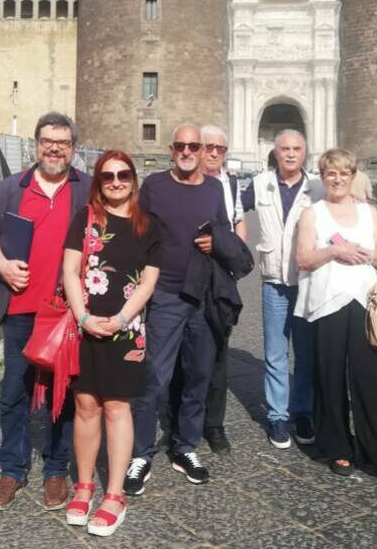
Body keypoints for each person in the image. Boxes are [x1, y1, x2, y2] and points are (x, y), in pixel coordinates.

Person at [0, 112, 92, 512]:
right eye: (47, 141)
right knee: (15, 391)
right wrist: (4, 266)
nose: (54, 148)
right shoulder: (12, 189)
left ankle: (56, 471)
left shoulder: (87, 190)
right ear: (36, 144)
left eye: (62, 142)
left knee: (63, 393)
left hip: (66, 311)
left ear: (73, 148)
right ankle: (12, 470)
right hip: (22, 308)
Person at [124, 124, 230, 495]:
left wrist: (215, 241)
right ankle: (140, 453)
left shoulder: (215, 189)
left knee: (199, 375)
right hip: (166, 295)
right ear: (172, 150)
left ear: (204, 150)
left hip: (202, 297)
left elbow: (226, 235)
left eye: (194, 146)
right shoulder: (154, 186)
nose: (187, 151)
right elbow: (137, 232)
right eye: (181, 146)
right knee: (155, 377)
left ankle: (185, 447)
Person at [60, 151, 161, 537]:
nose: (116, 181)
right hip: (84, 325)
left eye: (122, 175)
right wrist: (84, 316)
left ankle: (114, 494)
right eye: (107, 176)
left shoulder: (148, 226)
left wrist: (120, 319)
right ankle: (85, 486)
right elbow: (70, 269)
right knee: (86, 405)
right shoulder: (84, 220)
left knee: (118, 407)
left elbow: (149, 281)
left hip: (126, 328)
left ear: (133, 180)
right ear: (98, 183)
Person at [295, 149, 377, 482]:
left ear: (353, 176)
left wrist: (367, 253)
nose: (338, 179)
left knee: (375, 378)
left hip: (366, 301)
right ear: (323, 176)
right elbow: (303, 259)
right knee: (328, 377)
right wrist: (335, 250)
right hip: (327, 302)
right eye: (331, 173)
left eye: (344, 173)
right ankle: (338, 447)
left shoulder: (368, 212)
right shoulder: (312, 214)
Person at [236, 129, 324, 448]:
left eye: (296, 149)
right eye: (284, 148)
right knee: (275, 353)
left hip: (308, 281)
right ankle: (277, 416)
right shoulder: (260, 184)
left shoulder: (318, 186)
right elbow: (232, 211)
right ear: (275, 153)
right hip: (274, 281)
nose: (290, 154)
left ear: (305, 153)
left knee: (306, 352)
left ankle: (302, 410)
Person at [160, 124, 242, 454]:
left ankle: (214, 424)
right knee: (179, 359)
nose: (209, 152)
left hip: (215, 281)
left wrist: (227, 251)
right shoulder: (175, 183)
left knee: (215, 356)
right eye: (204, 146)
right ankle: (176, 422)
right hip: (177, 286)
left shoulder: (228, 185)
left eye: (217, 149)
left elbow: (235, 227)